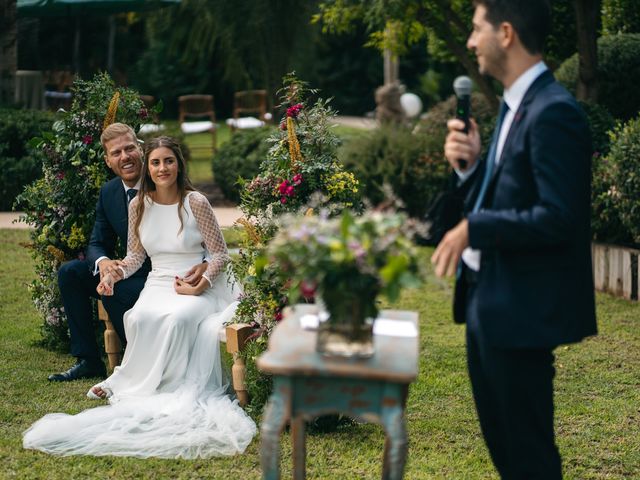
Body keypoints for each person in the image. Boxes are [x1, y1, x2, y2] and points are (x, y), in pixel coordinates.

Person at [431, 1, 597, 478]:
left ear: (505, 33)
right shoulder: (515, 105)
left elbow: (559, 217)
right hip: (490, 304)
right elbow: (508, 198)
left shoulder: (554, 112)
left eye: (476, 28)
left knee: (529, 460)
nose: (469, 41)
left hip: (522, 313)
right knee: (508, 457)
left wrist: (474, 229)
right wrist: (471, 170)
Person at [24, 136, 256, 458]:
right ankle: (131, 381)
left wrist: (200, 284)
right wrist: (112, 274)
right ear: (149, 168)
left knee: (177, 318)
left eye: (168, 161)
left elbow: (219, 255)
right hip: (158, 281)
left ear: (178, 164)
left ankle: (171, 388)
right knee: (139, 316)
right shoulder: (138, 205)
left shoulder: (196, 202)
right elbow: (134, 257)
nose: (163, 168)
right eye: (156, 162)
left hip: (195, 282)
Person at [49, 123, 207, 382]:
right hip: (128, 269)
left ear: (140, 150)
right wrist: (104, 263)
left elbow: (198, 236)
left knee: (115, 291)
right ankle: (88, 360)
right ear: (108, 160)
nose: (124, 157)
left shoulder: (164, 177)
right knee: (71, 273)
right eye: (116, 153)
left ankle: (143, 361)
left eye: (129, 148)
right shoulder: (109, 192)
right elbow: (97, 241)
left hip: (164, 277)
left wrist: (203, 263)